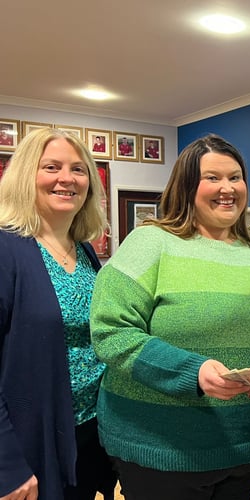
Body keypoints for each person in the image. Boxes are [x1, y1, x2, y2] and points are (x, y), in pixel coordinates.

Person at [89, 134, 250, 500]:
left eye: (235, 177)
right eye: (213, 178)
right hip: (162, 448)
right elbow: (111, 332)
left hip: (249, 444)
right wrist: (193, 372)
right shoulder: (150, 243)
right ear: (187, 186)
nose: (227, 188)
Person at [0, 128, 116, 500]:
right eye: (51, 167)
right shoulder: (6, 249)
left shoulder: (83, 250)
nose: (67, 179)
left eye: (78, 169)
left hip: (86, 433)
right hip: (30, 441)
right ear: (25, 177)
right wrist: (7, 465)